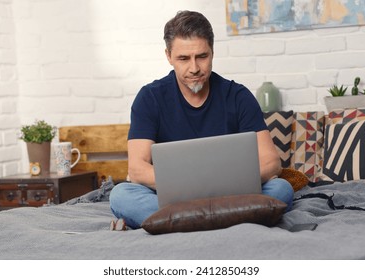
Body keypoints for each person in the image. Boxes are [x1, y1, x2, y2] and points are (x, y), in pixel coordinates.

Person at [109, 10, 294, 229]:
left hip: (229, 194)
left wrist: (217, 185)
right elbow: (138, 169)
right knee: (121, 195)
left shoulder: (238, 96)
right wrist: (192, 187)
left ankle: (180, 221)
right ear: (168, 56)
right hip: (177, 197)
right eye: (183, 59)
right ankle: (225, 218)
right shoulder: (150, 98)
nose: (194, 68)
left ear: (212, 52)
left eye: (202, 56)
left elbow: (271, 163)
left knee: (281, 188)